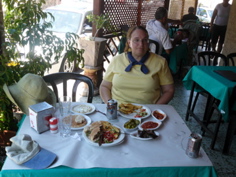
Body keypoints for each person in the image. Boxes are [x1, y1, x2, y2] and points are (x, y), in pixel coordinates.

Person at [99, 26, 174, 105]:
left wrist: (154, 109)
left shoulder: (160, 62)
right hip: (118, 110)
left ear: (148, 43)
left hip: (147, 111)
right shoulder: (117, 60)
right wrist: (110, 105)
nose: (141, 44)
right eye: (136, 40)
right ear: (129, 43)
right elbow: (104, 86)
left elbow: (169, 90)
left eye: (144, 40)